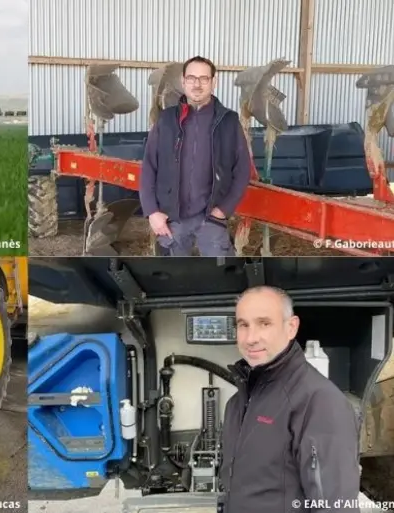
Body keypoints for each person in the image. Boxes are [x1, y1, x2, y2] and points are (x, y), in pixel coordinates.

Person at [218, 286, 361, 513]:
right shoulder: (237, 402)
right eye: (243, 325)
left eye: (264, 323)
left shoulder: (319, 401)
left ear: (291, 327)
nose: (251, 338)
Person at [139, 55, 252, 256]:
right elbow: (149, 166)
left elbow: (242, 170)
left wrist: (223, 210)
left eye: (204, 79)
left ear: (213, 82)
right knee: (176, 279)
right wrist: (152, 212)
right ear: (183, 82)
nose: (197, 84)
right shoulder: (166, 120)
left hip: (211, 219)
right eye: (191, 78)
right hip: (172, 219)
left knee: (221, 273)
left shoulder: (228, 121)